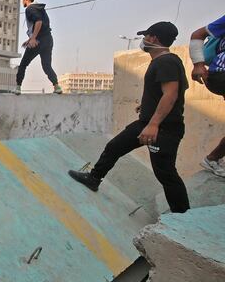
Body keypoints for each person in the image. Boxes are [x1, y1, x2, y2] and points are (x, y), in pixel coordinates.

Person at [69, 22, 190, 213]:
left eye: (146, 36)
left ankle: (183, 216)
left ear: (154, 38)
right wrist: (148, 105)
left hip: (163, 128)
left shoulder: (166, 61)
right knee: (114, 147)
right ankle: (94, 179)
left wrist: (154, 124)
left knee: (165, 173)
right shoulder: (164, 61)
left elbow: (171, 94)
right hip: (148, 123)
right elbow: (166, 92)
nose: (144, 40)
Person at [188, 14, 225, 177]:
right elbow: (197, 35)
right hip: (220, 74)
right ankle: (213, 159)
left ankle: (213, 159)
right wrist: (198, 64)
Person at [15, 0, 63, 95]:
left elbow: (39, 22)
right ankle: (57, 86)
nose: (22, 1)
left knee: (23, 64)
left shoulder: (30, 8)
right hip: (48, 40)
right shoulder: (40, 8)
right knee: (47, 66)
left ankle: (18, 87)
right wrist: (30, 39)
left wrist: (33, 39)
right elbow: (42, 26)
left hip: (38, 41)